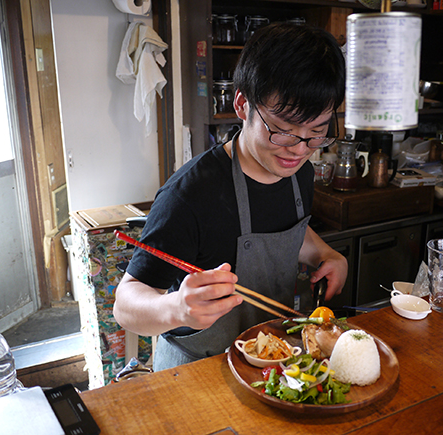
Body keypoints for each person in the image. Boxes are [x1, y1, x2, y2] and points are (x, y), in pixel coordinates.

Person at [113, 23, 348, 370]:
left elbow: (287, 230)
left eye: (317, 132)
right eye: (282, 130)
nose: (299, 150)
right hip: (197, 370)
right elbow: (126, 304)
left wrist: (325, 253)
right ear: (242, 104)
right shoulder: (189, 195)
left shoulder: (300, 173)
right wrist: (177, 307)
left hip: (272, 363)